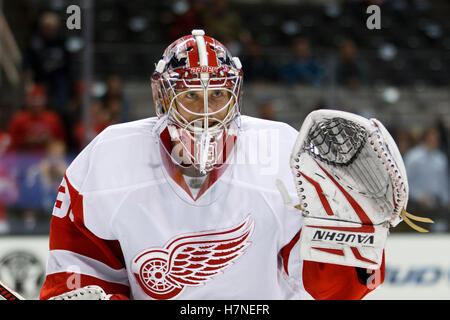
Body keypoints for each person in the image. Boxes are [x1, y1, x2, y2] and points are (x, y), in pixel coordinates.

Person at [40, 30, 387, 300]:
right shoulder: (109, 156)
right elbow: (78, 271)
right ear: (162, 97)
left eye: (218, 94)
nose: (206, 111)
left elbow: (328, 288)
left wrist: (357, 241)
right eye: (190, 95)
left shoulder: (283, 149)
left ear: (235, 95)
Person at [7, 84, 66, 153]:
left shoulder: (53, 118)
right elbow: (11, 142)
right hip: (23, 157)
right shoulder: (19, 119)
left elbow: (61, 142)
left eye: (39, 99)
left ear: (44, 100)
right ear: (28, 100)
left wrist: (49, 139)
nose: (36, 103)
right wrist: (26, 140)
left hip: (46, 158)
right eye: (33, 99)